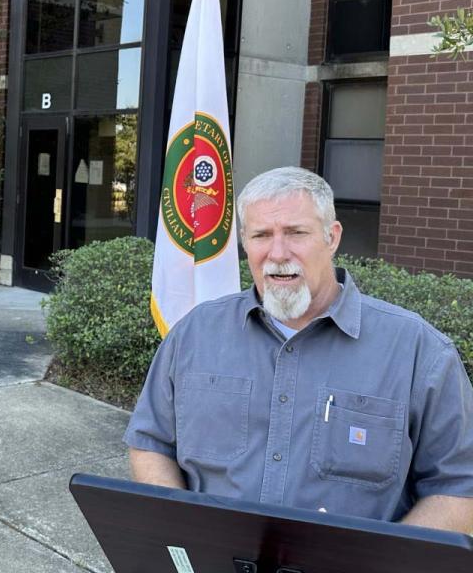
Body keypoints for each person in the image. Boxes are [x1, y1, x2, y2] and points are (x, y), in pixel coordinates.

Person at [125, 166, 473, 532]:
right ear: (245, 241)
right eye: (262, 235)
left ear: (332, 237)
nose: (277, 253)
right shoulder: (194, 335)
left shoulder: (418, 351)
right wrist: (184, 535)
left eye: (296, 233)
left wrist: (382, 561)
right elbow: (151, 443)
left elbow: (460, 486)